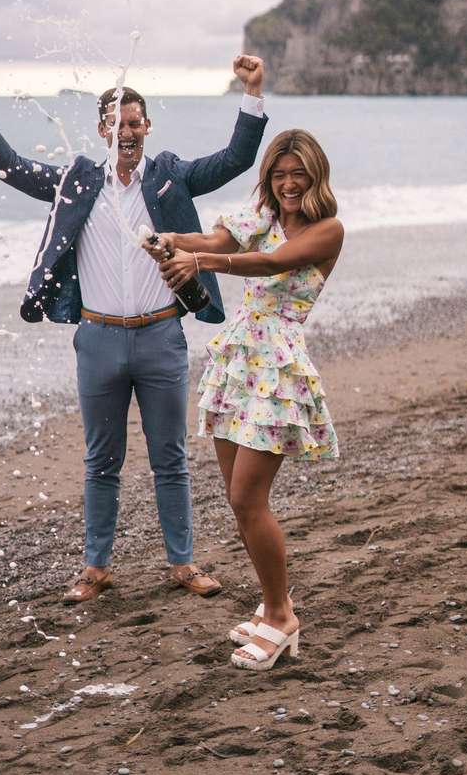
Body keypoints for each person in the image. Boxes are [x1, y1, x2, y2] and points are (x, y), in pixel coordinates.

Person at [0, 58, 268, 604]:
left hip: (161, 337)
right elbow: (9, 167)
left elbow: (236, 159)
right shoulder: (77, 181)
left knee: (170, 459)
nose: (126, 132)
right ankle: (95, 567)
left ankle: (183, 563)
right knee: (101, 462)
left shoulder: (171, 177)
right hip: (98, 340)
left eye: (135, 123)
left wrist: (253, 90)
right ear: (102, 129)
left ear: (148, 127)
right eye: (117, 123)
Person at [143, 129, 343, 670]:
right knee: (239, 501)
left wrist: (200, 264)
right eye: (279, 175)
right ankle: (274, 603)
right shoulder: (264, 216)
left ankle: (281, 617)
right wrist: (172, 241)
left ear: (316, 176)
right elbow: (215, 240)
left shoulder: (327, 230)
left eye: (298, 174)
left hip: (277, 369)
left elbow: (273, 263)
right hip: (238, 362)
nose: (288, 184)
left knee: (250, 500)